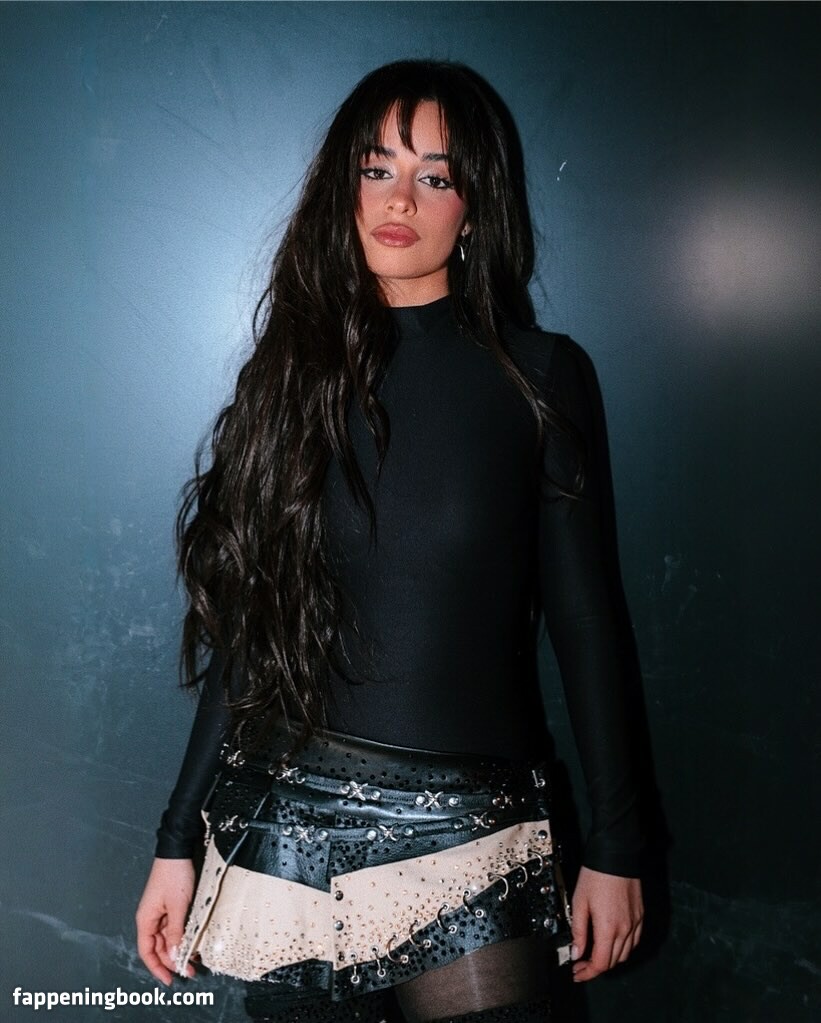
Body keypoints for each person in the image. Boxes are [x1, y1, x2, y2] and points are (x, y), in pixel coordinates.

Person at [136, 60, 644, 1023]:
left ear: (474, 207)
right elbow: (249, 639)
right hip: (285, 833)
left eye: (434, 176)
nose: (399, 199)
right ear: (345, 187)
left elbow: (585, 622)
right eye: (377, 169)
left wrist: (616, 846)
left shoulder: (539, 377)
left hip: (471, 838)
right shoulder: (285, 381)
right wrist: (175, 840)